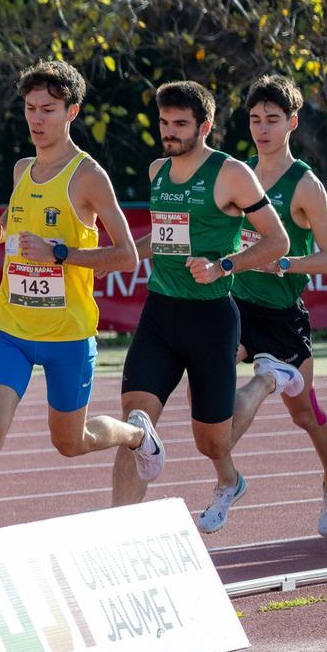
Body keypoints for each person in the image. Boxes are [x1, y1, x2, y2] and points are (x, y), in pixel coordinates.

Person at [0, 60, 154, 533]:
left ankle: (135, 433)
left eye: (48, 109)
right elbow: (17, 219)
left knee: (70, 442)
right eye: (30, 108)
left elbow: (127, 256)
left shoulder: (88, 176)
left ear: (72, 111)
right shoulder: (22, 168)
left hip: (68, 333)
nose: (36, 119)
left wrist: (61, 253)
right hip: (11, 327)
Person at [112, 80, 289, 509]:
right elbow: (166, 232)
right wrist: (126, 254)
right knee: (136, 424)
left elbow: (277, 242)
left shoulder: (232, 174)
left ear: (205, 126)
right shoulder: (158, 171)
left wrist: (222, 265)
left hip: (210, 319)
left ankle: (266, 380)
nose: (168, 132)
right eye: (164, 122)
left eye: (180, 124)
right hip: (160, 314)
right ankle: (120, 529)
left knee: (212, 442)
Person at [196, 74, 327, 534]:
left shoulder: (305, 185)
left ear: (292, 123)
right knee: (206, 382)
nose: (262, 129)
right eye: (256, 119)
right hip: (236, 306)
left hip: (282, 317)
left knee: (305, 413)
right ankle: (228, 481)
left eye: (273, 120)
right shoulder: (238, 174)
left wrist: (281, 264)